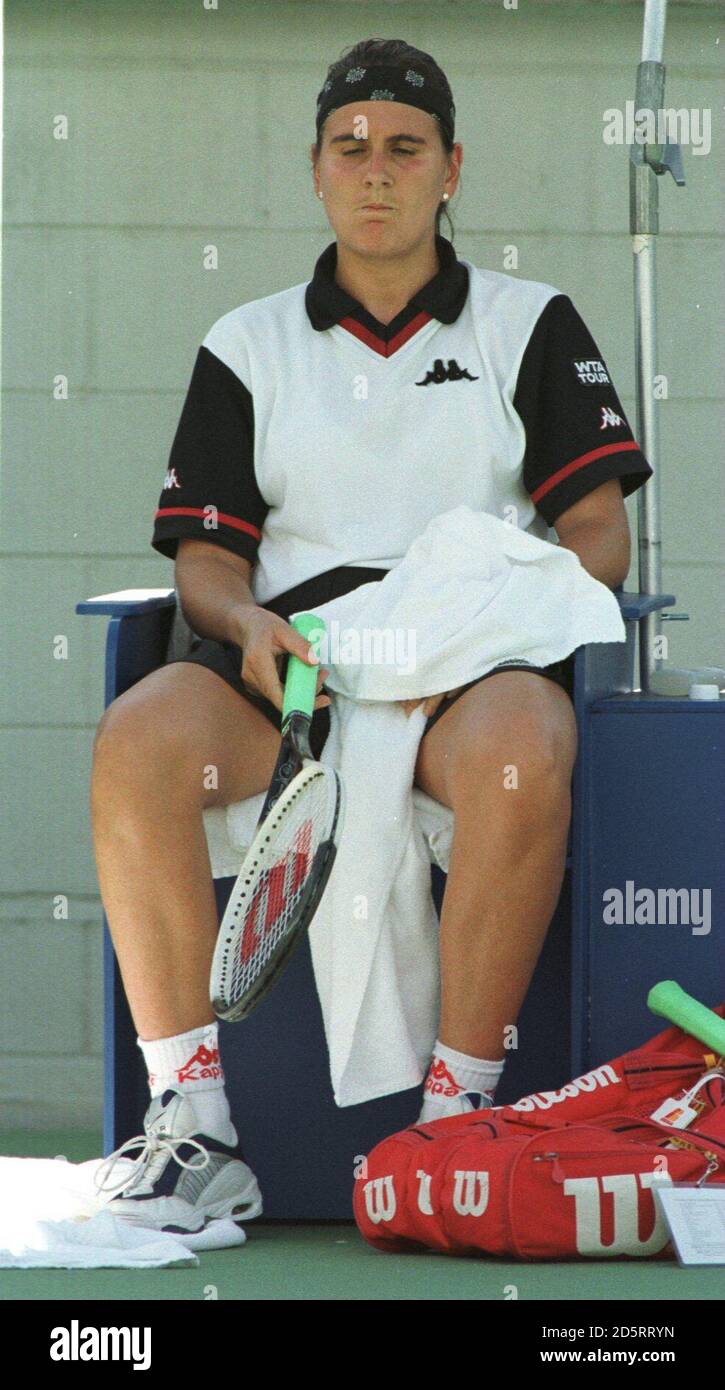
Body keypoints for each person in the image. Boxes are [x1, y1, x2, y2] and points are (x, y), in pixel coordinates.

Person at [90, 38, 653, 1233]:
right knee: (136, 741)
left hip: (466, 667)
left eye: (404, 148)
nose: (375, 171)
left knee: (521, 751)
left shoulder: (529, 320)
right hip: (289, 673)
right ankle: (192, 1131)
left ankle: (455, 1131)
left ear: (452, 168)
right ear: (315, 171)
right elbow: (206, 558)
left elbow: (597, 531)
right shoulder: (245, 342)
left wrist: (481, 613)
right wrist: (243, 625)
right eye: (350, 149)